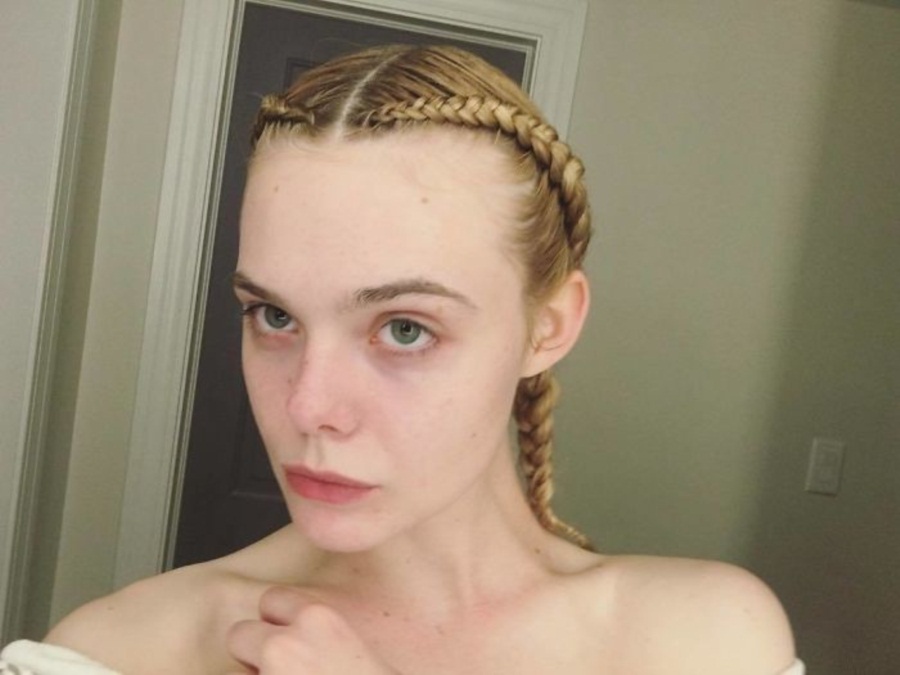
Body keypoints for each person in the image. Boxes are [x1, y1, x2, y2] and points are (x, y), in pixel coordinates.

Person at [5, 45, 802, 674]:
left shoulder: (703, 639)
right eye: (275, 316)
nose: (309, 407)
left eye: (405, 329)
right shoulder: (123, 651)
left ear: (548, 327)